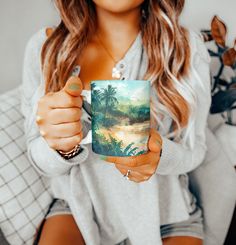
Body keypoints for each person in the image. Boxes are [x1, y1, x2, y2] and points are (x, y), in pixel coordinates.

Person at [21, 0, 212, 244]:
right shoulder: (45, 47)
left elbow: (196, 152)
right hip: (79, 210)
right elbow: (38, 159)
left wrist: (159, 154)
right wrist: (61, 146)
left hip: (167, 214)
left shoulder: (187, 47)